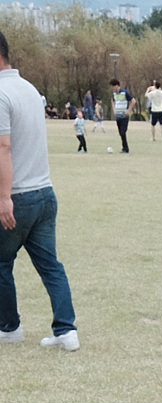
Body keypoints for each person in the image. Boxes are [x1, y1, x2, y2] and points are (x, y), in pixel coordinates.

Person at [0, 29, 78, 349]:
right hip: (45, 192)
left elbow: (4, 147)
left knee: (1, 263)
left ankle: (9, 327)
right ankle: (66, 330)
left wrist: (4, 198)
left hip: (18, 195)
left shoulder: (1, 93)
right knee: (50, 266)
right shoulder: (30, 89)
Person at [109, 77, 135, 154]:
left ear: (117, 85)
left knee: (123, 132)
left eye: (113, 86)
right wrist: (114, 109)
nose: (112, 88)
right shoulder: (114, 93)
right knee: (121, 133)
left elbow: (133, 101)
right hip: (118, 116)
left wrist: (128, 110)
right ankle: (124, 148)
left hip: (124, 116)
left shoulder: (124, 92)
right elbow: (113, 101)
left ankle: (126, 149)